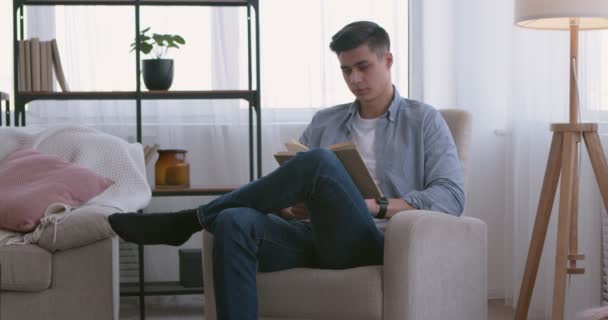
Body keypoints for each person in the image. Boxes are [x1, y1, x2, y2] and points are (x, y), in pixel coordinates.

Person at [108, 21, 464, 320]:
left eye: (363, 66)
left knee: (320, 162)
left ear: (387, 60)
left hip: (369, 241)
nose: (354, 78)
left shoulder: (423, 120)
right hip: (308, 234)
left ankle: (188, 220)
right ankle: (204, 217)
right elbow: (287, 185)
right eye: (345, 69)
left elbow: (450, 196)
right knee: (233, 221)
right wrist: (288, 208)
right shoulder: (326, 121)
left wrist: (377, 205)